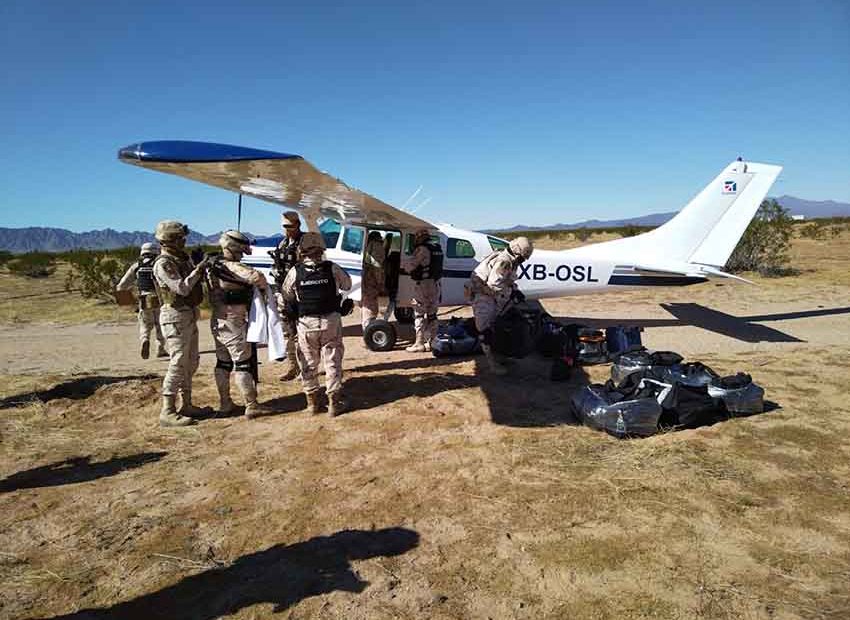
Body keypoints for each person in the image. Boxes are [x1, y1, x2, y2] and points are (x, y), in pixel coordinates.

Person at [281, 232, 352, 416]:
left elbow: (286, 294)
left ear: (302, 250)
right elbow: (347, 285)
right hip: (331, 321)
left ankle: (312, 404)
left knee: (308, 364)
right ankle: (334, 403)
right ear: (321, 249)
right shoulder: (332, 268)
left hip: (306, 323)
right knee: (332, 360)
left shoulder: (295, 271)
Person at [207, 230, 270, 419]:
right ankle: (251, 405)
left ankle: (225, 403)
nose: (242, 254)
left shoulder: (212, 265)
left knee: (223, 362)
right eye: (241, 250)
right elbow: (257, 278)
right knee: (242, 363)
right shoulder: (231, 266)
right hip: (234, 319)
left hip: (217, 318)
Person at [152, 220, 209, 427]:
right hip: (174, 316)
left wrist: (197, 266)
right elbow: (181, 288)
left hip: (187, 313)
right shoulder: (163, 263)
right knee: (178, 362)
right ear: (169, 240)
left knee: (191, 361)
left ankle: (187, 404)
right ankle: (167, 410)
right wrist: (197, 270)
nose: (184, 241)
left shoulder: (180, 259)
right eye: (180, 238)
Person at [467, 236, 534, 375]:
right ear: (517, 251)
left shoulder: (510, 260)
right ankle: (493, 364)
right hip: (483, 296)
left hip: (490, 296)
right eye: (523, 257)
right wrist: (510, 293)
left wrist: (514, 290)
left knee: (497, 328)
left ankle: (500, 357)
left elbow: (507, 280)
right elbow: (494, 285)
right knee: (486, 331)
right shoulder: (505, 261)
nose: (523, 260)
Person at [116, 242, 168, 359]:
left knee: (145, 324)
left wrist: (129, 304)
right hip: (159, 299)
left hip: (143, 299)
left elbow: (120, 286)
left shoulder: (136, 266)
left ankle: (145, 339)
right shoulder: (160, 264)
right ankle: (160, 348)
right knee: (160, 324)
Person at [271, 211, 304, 381]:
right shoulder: (282, 244)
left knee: (302, 334)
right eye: (285, 226)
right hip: (284, 296)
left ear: (298, 225)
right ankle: (293, 366)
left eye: (290, 226)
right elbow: (276, 269)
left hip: (300, 296)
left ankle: (305, 368)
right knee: (287, 333)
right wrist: (278, 292)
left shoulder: (305, 242)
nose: (287, 230)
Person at [401, 228, 443, 352]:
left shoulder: (422, 249)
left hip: (423, 284)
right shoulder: (436, 247)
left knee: (419, 312)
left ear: (420, 237)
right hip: (435, 284)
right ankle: (433, 342)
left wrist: (404, 265)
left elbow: (411, 266)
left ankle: (419, 343)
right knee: (432, 314)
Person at [360, 231, 386, 329]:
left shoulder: (367, 245)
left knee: (366, 304)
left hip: (367, 278)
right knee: (370, 305)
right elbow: (377, 266)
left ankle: (366, 327)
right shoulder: (376, 246)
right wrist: (380, 283)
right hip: (371, 280)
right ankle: (368, 329)